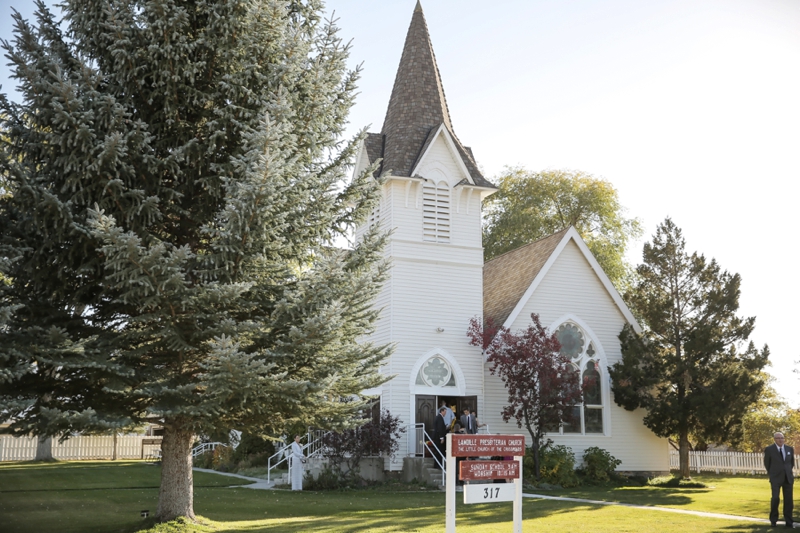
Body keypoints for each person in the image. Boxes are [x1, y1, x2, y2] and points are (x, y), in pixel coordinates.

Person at [764, 431, 794, 527]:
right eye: (778, 438)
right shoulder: (769, 449)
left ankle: (789, 522)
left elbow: (791, 463)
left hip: (788, 479)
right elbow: (767, 464)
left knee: (789, 501)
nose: (780, 440)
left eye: (782, 438)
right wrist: (773, 473)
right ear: (774, 439)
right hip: (776, 478)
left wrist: (787, 472)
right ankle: (773, 521)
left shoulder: (789, 449)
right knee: (775, 498)